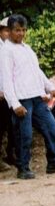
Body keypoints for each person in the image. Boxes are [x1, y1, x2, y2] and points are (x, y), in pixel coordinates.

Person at [0, 15, 55, 180]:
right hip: (21, 99)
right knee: (24, 135)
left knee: (51, 126)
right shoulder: (6, 51)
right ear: (10, 31)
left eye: (24, 30)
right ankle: (23, 168)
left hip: (37, 96)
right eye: (17, 30)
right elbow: (6, 79)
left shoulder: (27, 48)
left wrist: (51, 88)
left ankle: (54, 162)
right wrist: (14, 104)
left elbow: (37, 72)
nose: (21, 33)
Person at [0, 15, 18, 169]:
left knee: (13, 125)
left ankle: (11, 154)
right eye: (6, 31)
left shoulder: (15, 47)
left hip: (12, 94)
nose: (9, 34)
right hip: (1, 94)